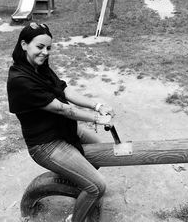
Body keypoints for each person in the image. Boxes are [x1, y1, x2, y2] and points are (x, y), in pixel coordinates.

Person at [7, 23, 115, 222]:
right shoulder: (20, 79)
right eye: (40, 47)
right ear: (24, 44)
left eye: (48, 48)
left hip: (64, 130)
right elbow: (63, 108)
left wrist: (97, 105)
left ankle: (80, 186)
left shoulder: (40, 69)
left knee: (102, 152)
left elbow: (65, 92)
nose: (45, 52)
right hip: (46, 144)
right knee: (97, 186)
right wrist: (98, 119)